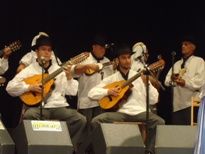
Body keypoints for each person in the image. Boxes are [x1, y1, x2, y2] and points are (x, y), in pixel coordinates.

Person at [6, 35, 86, 152]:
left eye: (49, 50)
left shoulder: (59, 69)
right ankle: (35, 147)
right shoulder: (30, 70)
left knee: (80, 120)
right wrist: (29, 87)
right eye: (43, 49)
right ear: (36, 52)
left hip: (58, 107)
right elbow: (10, 88)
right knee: (29, 116)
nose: (47, 52)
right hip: (38, 108)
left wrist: (69, 77)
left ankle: (67, 148)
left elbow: (72, 92)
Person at [85, 44, 165, 154]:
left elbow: (154, 100)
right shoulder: (112, 79)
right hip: (121, 113)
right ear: (117, 61)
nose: (127, 60)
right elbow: (91, 93)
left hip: (139, 112)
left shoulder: (140, 77)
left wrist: (148, 85)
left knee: (159, 121)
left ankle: (148, 151)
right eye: (123, 58)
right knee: (96, 121)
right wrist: (108, 91)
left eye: (129, 57)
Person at [164, 36, 205, 125]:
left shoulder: (199, 61)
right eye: (182, 44)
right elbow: (166, 81)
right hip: (177, 105)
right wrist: (172, 80)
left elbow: (200, 81)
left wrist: (185, 83)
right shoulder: (177, 64)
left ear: (193, 47)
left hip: (192, 104)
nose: (183, 46)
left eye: (186, 44)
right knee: (178, 133)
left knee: (191, 133)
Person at [73, 34, 114, 122]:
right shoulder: (85, 58)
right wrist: (86, 66)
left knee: (99, 129)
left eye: (104, 48)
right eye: (100, 47)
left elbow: (110, 81)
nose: (103, 50)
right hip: (86, 102)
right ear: (93, 47)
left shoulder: (107, 62)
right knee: (85, 128)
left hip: (102, 101)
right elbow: (73, 72)